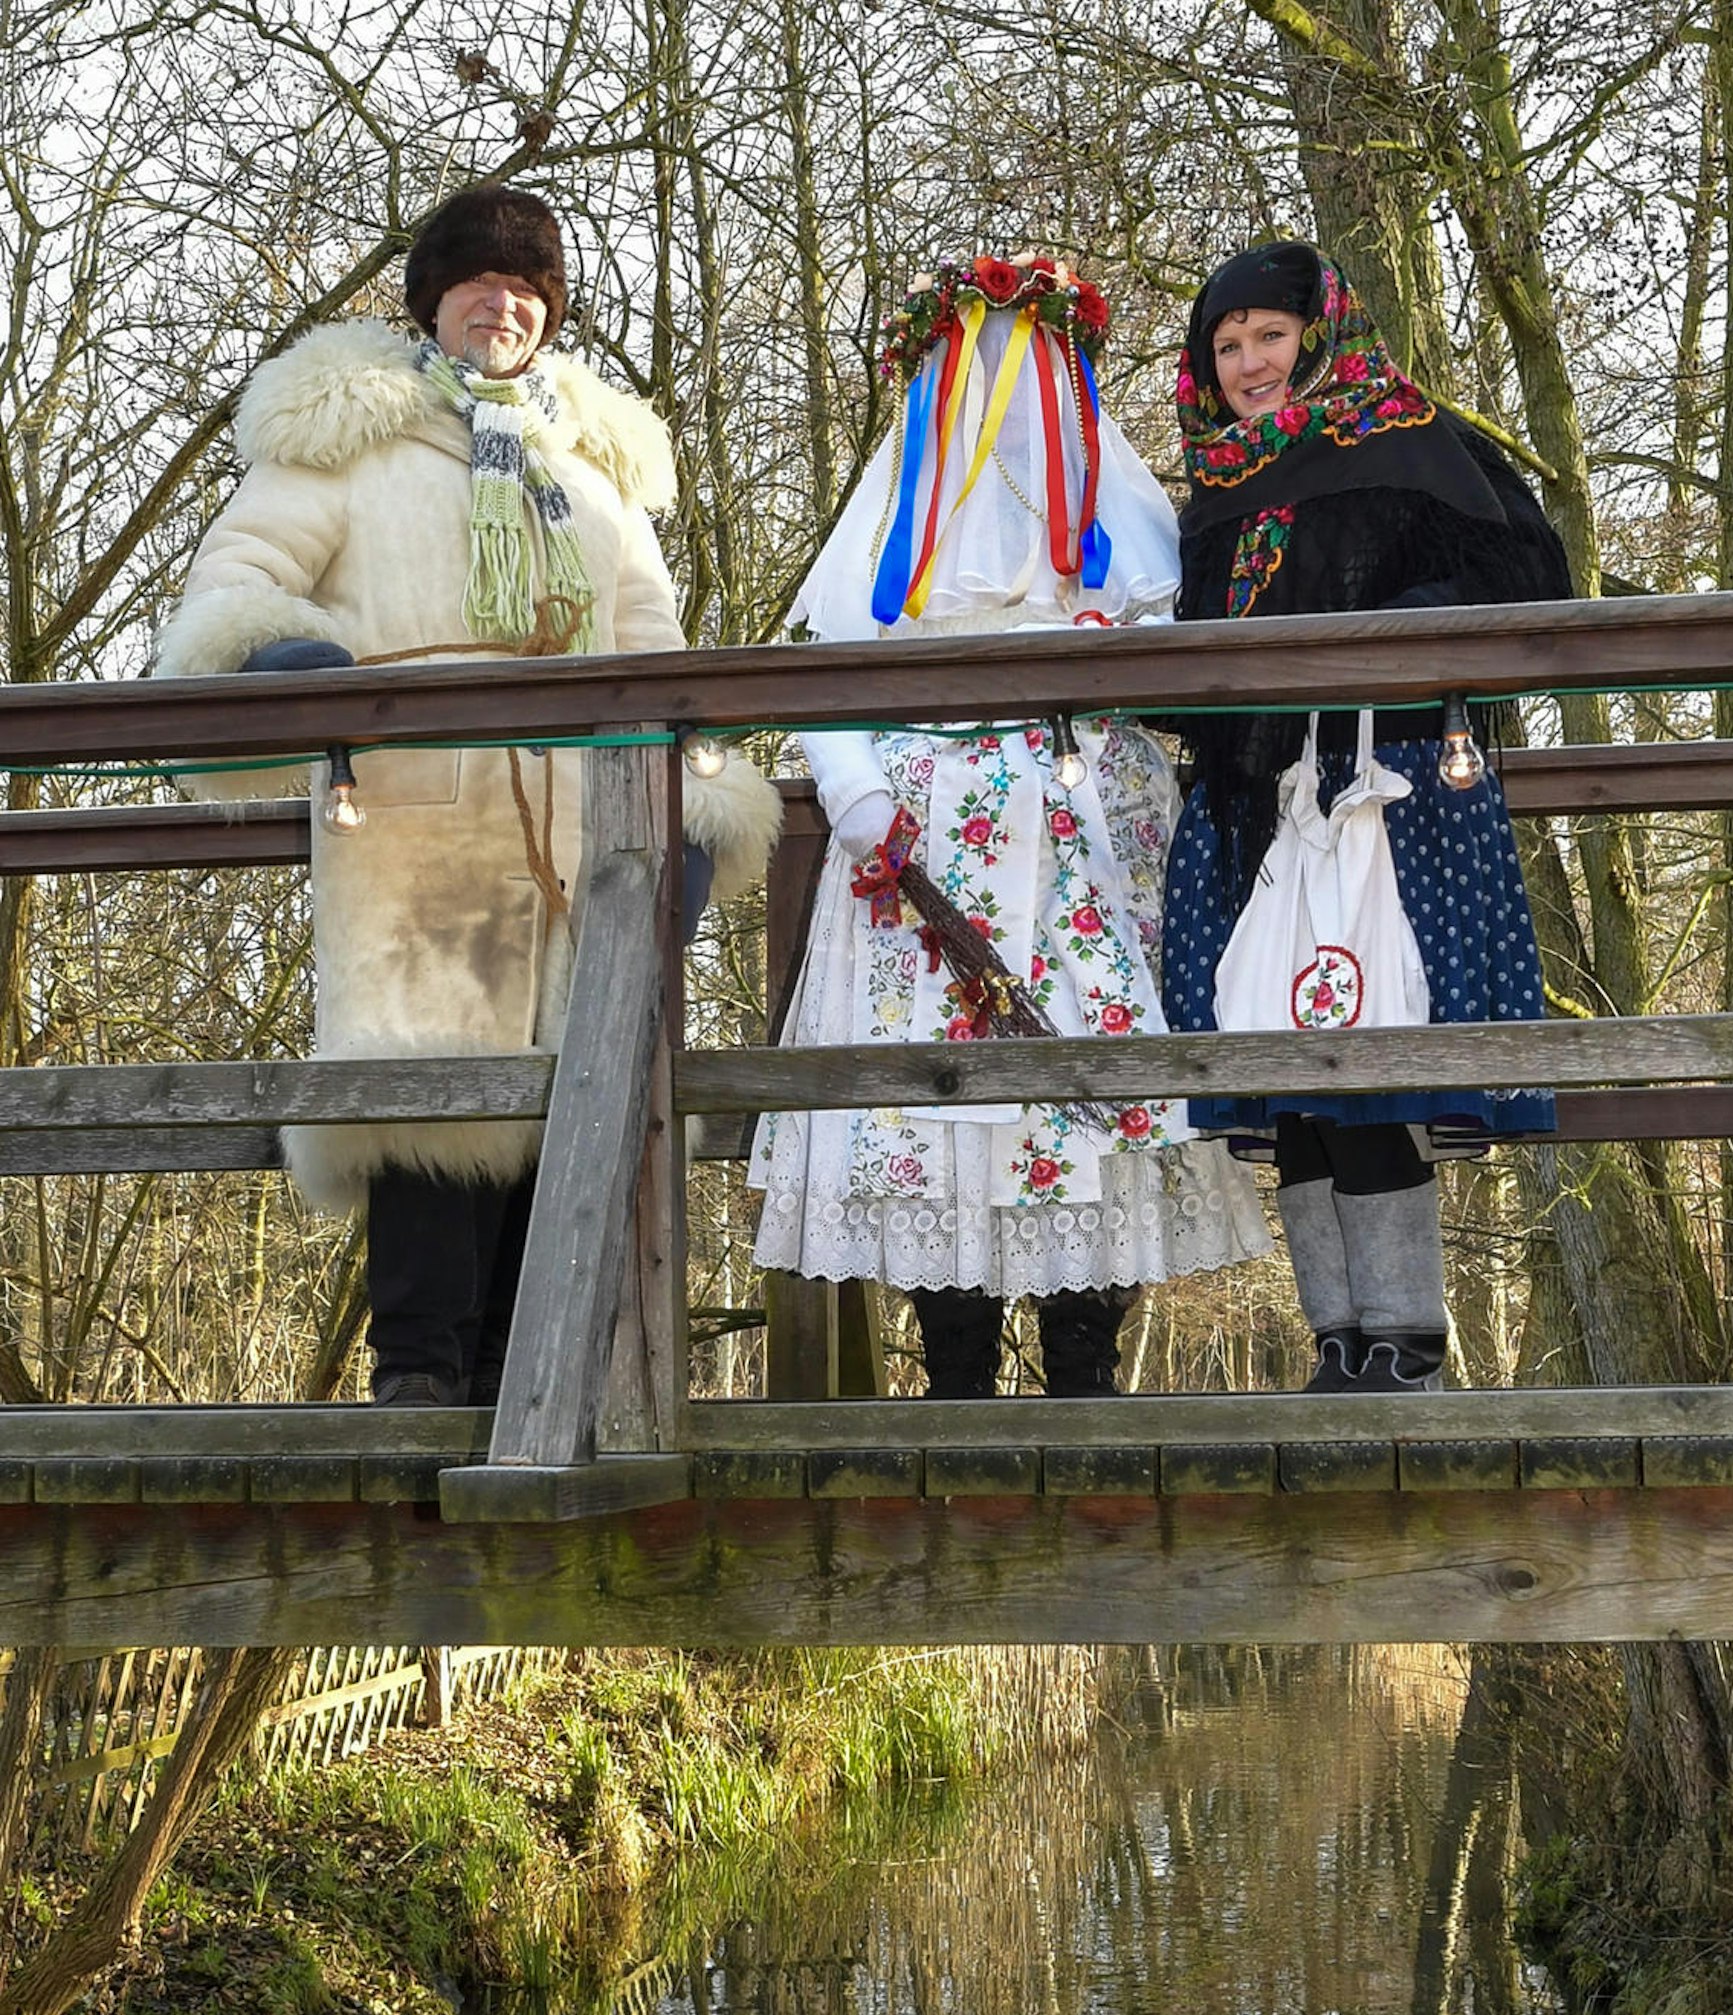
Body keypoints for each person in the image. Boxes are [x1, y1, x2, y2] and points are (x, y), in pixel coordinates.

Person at [155, 183, 779, 1404]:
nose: (502, 305)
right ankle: (416, 1379)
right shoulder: (349, 434)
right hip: (414, 813)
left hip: (581, 812)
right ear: (432, 303)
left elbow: (652, 644)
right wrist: (280, 653)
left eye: (525, 289)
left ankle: (524, 1379)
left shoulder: (593, 470)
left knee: (571, 1088)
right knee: (422, 1088)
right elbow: (234, 578)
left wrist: (694, 794)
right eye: (476, 284)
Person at [748, 251, 1268, 1398]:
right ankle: (955, 1383)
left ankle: (1086, 1376)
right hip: (920, 851)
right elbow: (821, 676)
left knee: (1098, 1092)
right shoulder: (893, 515)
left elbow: (1177, 651)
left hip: (1089, 844)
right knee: (936, 1111)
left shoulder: (1113, 520)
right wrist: (858, 800)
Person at [1161, 242, 1567, 1391]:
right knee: (1288, 1078)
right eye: (1225, 345)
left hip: (1387, 790)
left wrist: (1386, 634)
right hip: (1255, 808)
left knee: (1365, 1053)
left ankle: (1408, 1343)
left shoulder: (1410, 441)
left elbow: (1527, 579)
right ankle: (1336, 1341)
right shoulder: (1218, 490)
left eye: (1267, 336)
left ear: (1319, 332)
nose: (1246, 363)